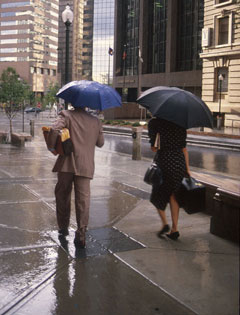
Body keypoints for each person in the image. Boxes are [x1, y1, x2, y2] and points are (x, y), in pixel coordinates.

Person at [47, 106, 104, 248]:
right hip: (85, 165)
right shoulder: (95, 121)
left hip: (67, 164)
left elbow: (53, 130)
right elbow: (100, 143)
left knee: (62, 195)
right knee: (83, 200)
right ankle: (81, 233)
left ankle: (63, 227)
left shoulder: (66, 115)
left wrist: (52, 147)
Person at [148, 117, 191, 240]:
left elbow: (154, 148)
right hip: (179, 163)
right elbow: (184, 149)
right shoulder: (180, 124)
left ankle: (165, 224)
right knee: (174, 195)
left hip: (164, 162)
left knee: (156, 195)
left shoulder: (155, 122)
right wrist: (187, 169)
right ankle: (175, 228)